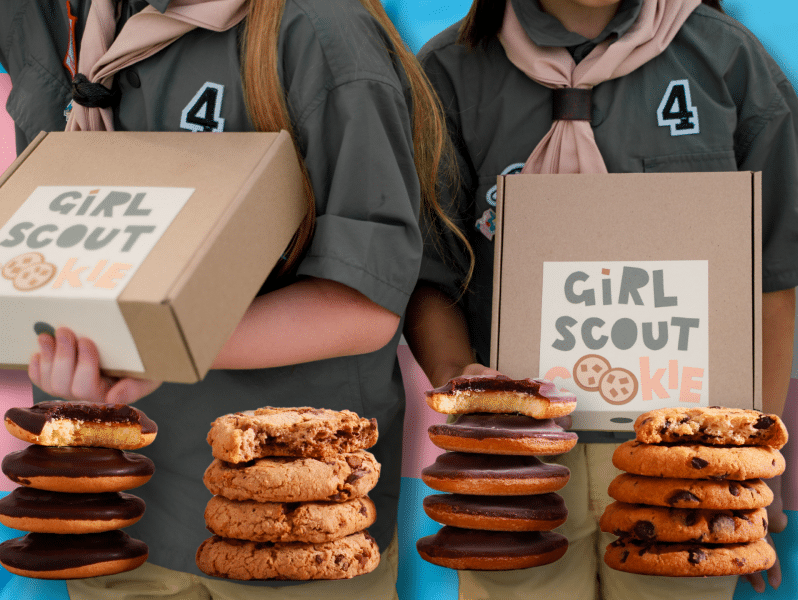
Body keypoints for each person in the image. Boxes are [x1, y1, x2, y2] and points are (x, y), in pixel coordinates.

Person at [0, 0, 458, 598]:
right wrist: (71, 337)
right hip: (110, 514)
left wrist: (154, 343)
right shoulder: (59, 18)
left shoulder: (319, 30)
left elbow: (366, 305)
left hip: (288, 522)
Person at [404, 0, 798, 599]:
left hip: (684, 462)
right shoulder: (448, 71)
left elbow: (771, 277)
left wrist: (752, 465)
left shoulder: (727, 60)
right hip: (515, 464)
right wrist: (462, 380)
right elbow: (427, 268)